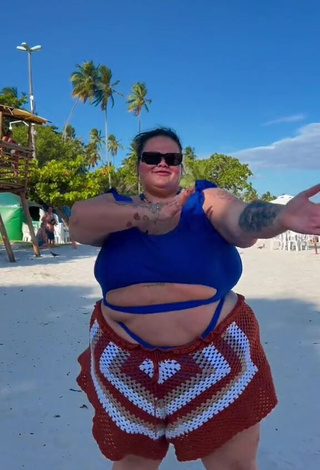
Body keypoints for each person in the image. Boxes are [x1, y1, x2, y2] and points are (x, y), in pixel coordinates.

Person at [70, 127, 320, 470]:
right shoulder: (117, 207)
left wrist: (281, 217)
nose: (162, 163)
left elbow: (240, 218)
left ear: (180, 165)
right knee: (132, 463)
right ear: (138, 165)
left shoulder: (204, 199)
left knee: (233, 464)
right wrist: (151, 215)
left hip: (215, 356)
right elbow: (79, 221)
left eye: (171, 158)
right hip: (124, 361)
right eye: (152, 157)